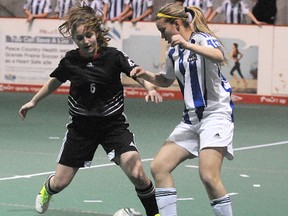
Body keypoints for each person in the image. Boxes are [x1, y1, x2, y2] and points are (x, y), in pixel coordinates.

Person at [19, 5, 161, 216]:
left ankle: (155, 214)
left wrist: (149, 87)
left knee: (138, 173)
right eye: (80, 38)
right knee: (60, 182)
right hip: (81, 128)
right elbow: (54, 82)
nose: (85, 41)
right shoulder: (70, 60)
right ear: (74, 40)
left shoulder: (113, 56)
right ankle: (46, 190)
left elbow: (135, 72)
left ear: (96, 33)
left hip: (113, 126)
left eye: (88, 35)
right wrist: (33, 101)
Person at [131, 3, 234, 216]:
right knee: (159, 167)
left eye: (163, 30)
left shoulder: (202, 39)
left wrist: (188, 45)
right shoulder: (173, 51)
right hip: (190, 120)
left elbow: (219, 56)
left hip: (215, 115)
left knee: (208, 176)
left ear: (176, 23)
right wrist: (146, 75)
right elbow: (166, 80)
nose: (162, 36)